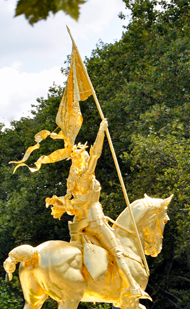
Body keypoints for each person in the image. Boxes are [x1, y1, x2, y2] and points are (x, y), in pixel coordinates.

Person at [46, 119, 150, 299]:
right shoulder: (86, 177)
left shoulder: (72, 183)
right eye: (84, 157)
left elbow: (73, 205)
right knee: (117, 251)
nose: (86, 159)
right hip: (95, 222)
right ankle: (133, 287)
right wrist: (101, 132)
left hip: (79, 225)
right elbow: (96, 153)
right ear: (82, 161)